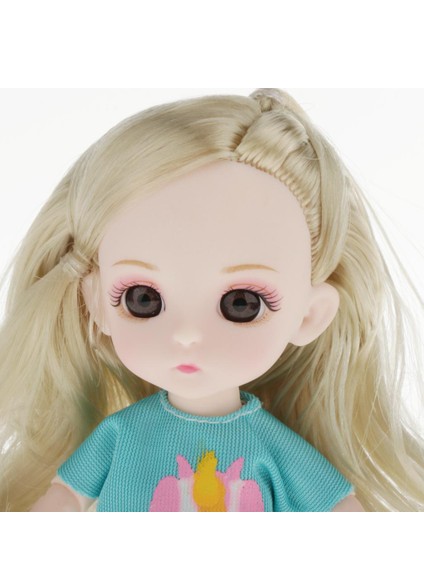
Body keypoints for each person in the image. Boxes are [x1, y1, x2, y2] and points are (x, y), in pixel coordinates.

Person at [0, 89, 422, 511]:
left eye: (242, 304)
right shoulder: (122, 435)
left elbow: (339, 508)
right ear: (96, 304)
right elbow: (64, 499)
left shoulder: (271, 447)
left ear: (310, 315)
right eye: (143, 299)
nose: (187, 334)